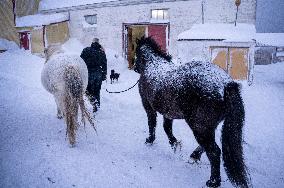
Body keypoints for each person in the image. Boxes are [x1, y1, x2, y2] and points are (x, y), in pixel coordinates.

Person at [80, 38, 107, 112]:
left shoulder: (86, 50)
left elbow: (80, 61)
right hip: (98, 74)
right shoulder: (101, 52)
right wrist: (104, 75)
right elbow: (104, 64)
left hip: (88, 73)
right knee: (97, 90)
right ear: (98, 43)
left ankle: (93, 101)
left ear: (92, 43)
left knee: (88, 90)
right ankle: (97, 106)